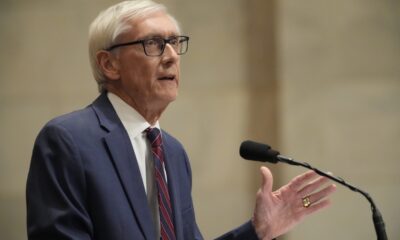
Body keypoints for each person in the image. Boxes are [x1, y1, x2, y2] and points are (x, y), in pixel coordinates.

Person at [26, 1, 336, 239]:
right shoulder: (68, 141)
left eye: (175, 43)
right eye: (153, 44)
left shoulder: (172, 153)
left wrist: (258, 230)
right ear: (109, 64)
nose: (172, 55)